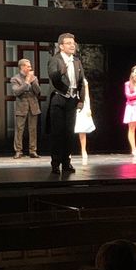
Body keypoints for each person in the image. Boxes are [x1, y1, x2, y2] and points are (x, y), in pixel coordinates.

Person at [47, 32, 85, 174]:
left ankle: (66, 162)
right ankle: (55, 163)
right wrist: (61, 72)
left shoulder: (76, 61)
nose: (72, 45)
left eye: (73, 43)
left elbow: (81, 82)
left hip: (72, 100)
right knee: (58, 133)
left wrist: (81, 100)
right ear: (61, 46)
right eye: (68, 43)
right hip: (59, 99)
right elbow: (53, 77)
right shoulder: (55, 60)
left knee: (69, 133)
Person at [10, 58, 41, 159]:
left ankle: (33, 150)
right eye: (28, 66)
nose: (30, 68)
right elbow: (16, 92)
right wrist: (27, 82)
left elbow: (38, 91)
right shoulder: (15, 79)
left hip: (33, 106)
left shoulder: (34, 78)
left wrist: (33, 82)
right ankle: (18, 151)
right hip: (21, 107)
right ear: (22, 67)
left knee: (33, 129)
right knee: (19, 129)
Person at [74, 77, 95, 165]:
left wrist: (88, 108)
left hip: (82, 105)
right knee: (69, 129)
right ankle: (68, 152)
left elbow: (86, 96)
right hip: (72, 105)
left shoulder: (84, 81)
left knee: (82, 129)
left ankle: (83, 150)